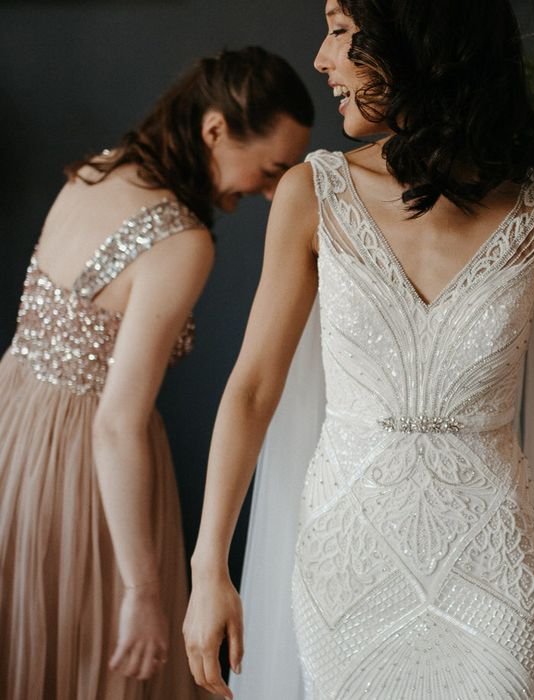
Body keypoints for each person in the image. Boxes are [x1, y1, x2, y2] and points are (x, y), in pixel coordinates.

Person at [183, 2, 534, 699]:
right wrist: (209, 565)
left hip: (496, 565)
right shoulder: (313, 193)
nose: (321, 59)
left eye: (339, 29)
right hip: (349, 564)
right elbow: (251, 390)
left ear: (415, 37)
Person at [0, 46, 312, 700]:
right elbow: (117, 423)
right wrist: (144, 590)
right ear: (216, 130)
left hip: (12, 431)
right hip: (84, 477)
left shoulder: (95, 172)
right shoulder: (182, 241)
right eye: (272, 169)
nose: (268, 191)